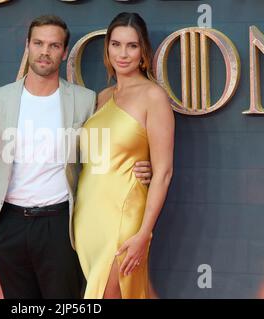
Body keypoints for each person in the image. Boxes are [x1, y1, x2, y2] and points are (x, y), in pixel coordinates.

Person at [0, 14, 153, 299]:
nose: (45, 51)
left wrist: (144, 166)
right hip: (7, 224)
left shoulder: (84, 100)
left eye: (54, 45)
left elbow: (107, 146)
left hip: (59, 223)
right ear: (28, 46)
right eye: (38, 43)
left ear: (64, 52)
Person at [74, 12, 174, 299]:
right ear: (107, 48)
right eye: (116, 44)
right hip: (89, 216)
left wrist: (145, 233)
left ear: (143, 51)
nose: (123, 53)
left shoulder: (153, 96)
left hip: (125, 217)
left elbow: (164, 172)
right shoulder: (102, 97)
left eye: (132, 46)